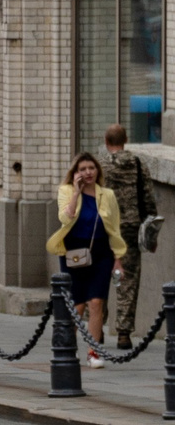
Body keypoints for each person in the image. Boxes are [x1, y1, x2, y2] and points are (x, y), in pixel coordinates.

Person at [48, 151, 126, 366]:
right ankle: (67, 346)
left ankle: (94, 351)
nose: (88, 172)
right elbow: (65, 217)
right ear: (75, 173)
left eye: (91, 168)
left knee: (96, 302)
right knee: (78, 304)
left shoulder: (107, 195)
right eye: (82, 169)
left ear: (98, 171)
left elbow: (115, 229)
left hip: (101, 253)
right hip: (74, 252)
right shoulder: (65, 191)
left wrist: (118, 259)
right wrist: (76, 192)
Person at [101, 124, 158, 348]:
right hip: (129, 229)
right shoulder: (136, 163)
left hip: (103, 228)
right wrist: (151, 228)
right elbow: (148, 197)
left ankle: (97, 327)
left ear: (107, 142)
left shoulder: (99, 165)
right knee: (128, 278)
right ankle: (123, 332)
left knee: (101, 275)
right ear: (125, 140)